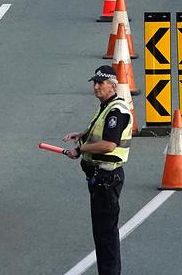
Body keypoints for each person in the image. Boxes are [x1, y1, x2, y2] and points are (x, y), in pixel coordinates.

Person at [62, 65, 132, 275]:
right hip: (100, 177)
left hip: (107, 177)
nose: (96, 87)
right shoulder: (106, 107)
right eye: (94, 83)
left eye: (100, 83)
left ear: (112, 85)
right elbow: (99, 133)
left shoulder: (116, 111)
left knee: (106, 235)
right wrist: (81, 134)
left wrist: (79, 149)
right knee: (101, 233)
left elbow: (109, 144)